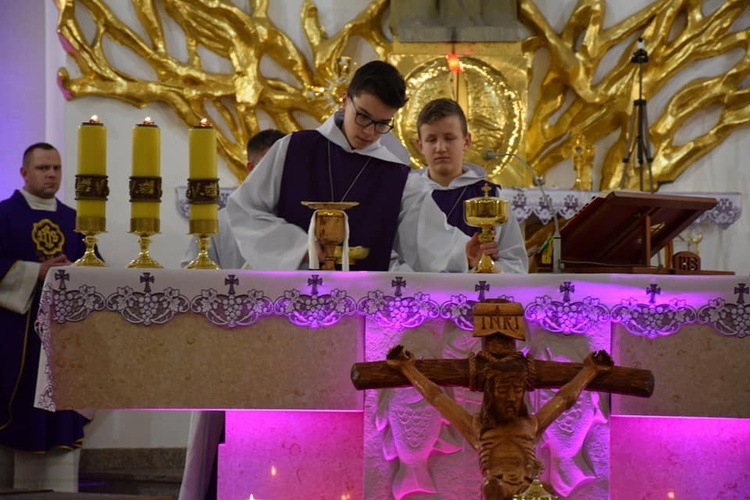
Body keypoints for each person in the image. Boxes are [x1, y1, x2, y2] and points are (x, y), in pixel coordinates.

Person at [227, 60, 422, 271]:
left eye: (382, 123)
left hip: (362, 297)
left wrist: (462, 250)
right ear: (345, 100)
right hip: (294, 292)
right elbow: (245, 209)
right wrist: (298, 247)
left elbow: (429, 239)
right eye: (363, 117)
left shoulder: (395, 175)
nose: (369, 131)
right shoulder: (293, 149)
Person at [386, 344, 613, 499]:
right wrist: (408, 369)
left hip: (529, 491)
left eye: (517, 391)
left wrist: (590, 371)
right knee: (494, 488)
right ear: (492, 395)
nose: (512, 397)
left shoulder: (529, 425)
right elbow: (437, 397)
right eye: (504, 391)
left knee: (547, 490)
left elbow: (564, 399)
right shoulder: (479, 427)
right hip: (497, 490)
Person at [0, 142, 91, 490]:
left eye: (55, 168)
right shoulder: (4, 215)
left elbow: (92, 268)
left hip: (63, 342)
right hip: (15, 339)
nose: (51, 174)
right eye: (42, 168)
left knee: (60, 410)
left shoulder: (75, 220)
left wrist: (77, 274)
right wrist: (35, 273)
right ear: (24, 173)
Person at [396, 97, 528, 273]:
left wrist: (486, 267)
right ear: (419, 145)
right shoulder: (404, 194)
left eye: (449, 138)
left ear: (466, 141)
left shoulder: (491, 196)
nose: (440, 147)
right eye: (431, 139)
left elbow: (515, 263)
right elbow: (390, 254)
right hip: (416, 294)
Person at [181, 129, 285, 269]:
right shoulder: (219, 223)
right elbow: (192, 276)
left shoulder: (307, 220)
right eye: (270, 167)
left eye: (287, 167)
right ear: (251, 168)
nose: (280, 174)